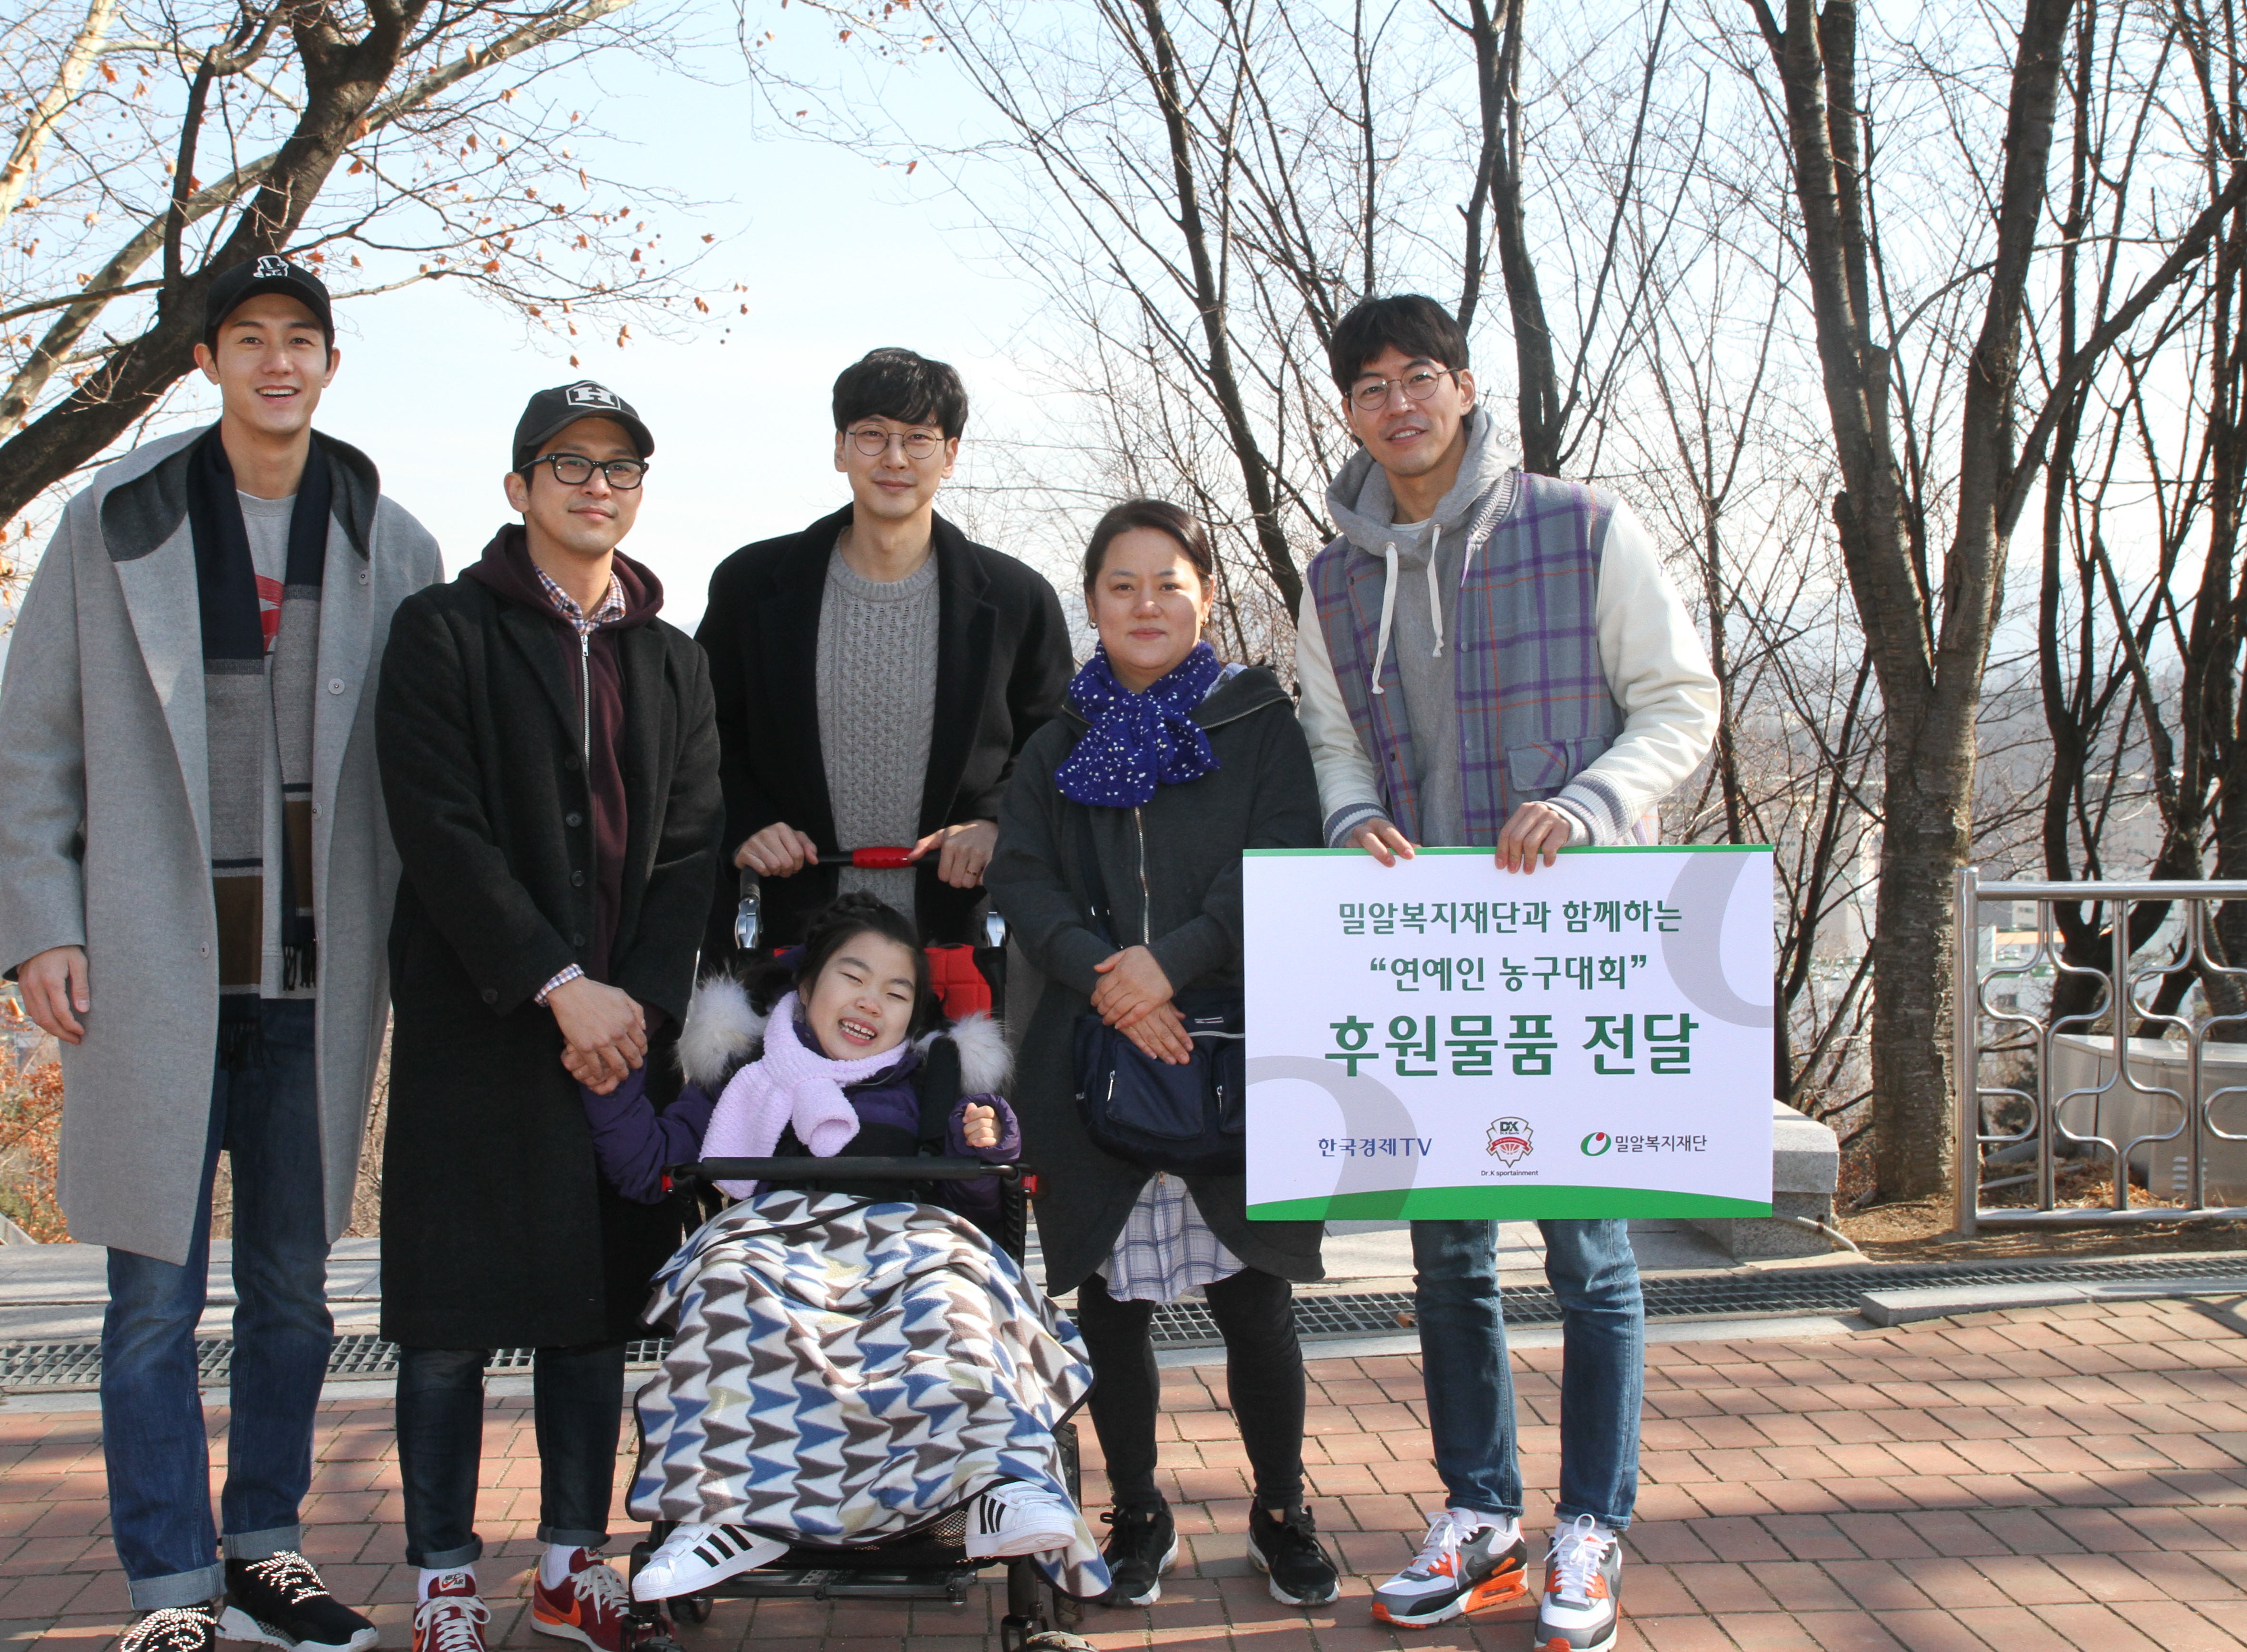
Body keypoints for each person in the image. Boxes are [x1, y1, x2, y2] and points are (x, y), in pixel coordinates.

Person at [0, 258, 441, 1652]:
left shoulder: (388, 540)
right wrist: (43, 927)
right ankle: (170, 1586)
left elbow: (426, 775)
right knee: (151, 1299)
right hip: (152, 973)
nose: (277, 363)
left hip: (314, 981)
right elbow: (36, 744)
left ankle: (265, 1550)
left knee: (296, 1293)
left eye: (301, 340)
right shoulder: (113, 522)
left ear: (330, 364)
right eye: (249, 339)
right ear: (208, 362)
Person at [1292, 293, 1720, 1652]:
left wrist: (1590, 803)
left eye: (1420, 375)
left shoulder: (1581, 527)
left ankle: (1590, 1524)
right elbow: (1330, 737)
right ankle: (1479, 1514)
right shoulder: (1334, 576)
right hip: (1422, 956)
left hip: (1570, 946)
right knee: (1448, 1257)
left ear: (1465, 388)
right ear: (1349, 411)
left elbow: (1680, 702)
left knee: (1590, 1253)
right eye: (1371, 385)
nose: (1399, 403)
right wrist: (1349, 817)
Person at [372, 381, 722, 1652]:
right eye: (569, 464)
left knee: (594, 1313)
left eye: (620, 467)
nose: (596, 486)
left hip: (618, 1043)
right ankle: (444, 1582)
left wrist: (637, 1004)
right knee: (448, 1323)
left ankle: (576, 1565)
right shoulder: (444, 631)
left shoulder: (672, 658)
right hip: (481, 1025)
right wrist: (557, 983)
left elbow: (692, 845)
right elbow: (440, 826)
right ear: (519, 487)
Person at [989, 499, 1338, 1612]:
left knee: (1257, 1299)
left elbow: (1281, 857)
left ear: (1207, 595)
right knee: (1109, 1303)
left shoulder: (1258, 721)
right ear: (1092, 601)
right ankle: (1136, 1509)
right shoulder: (1057, 739)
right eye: (1121, 584)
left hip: (1238, 1044)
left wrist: (1171, 964)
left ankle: (1280, 1507)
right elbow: (1021, 874)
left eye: (1168, 582)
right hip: (1093, 1052)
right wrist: (1111, 976)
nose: (1146, 604)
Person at [576, 893, 1110, 1606]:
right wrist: (611, 1091)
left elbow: (982, 1211)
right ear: (805, 987)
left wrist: (984, 1151)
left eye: (896, 992)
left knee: (953, 1295)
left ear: (913, 1016)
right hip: (774, 1248)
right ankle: (721, 1511)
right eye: (852, 977)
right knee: (729, 1285)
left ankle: (1000, 1483)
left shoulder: (933, 1080)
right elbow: (652, 1168)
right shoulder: (743, 1075)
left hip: (907, 1247)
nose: (870, 1002)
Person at [696, 346, 1072, 954]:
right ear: (840, 448)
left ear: (950, 455)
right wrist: (747, 823)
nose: (895, 458)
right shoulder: (752, 585)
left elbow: (1054, 742)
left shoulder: (1016, 599)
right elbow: (704, 734)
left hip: (961, 938)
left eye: (919, 438)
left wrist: (997, 822)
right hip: (786, 931)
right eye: (872, 435)